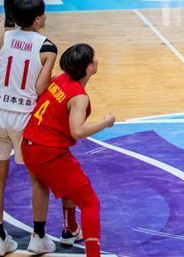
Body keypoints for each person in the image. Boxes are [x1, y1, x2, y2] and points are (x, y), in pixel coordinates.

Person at [0, 0, 58, 256]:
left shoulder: (3, 38)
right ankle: (38, 237)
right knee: (38, 180)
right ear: (38, 19)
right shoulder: (47, 47)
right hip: (24, 118)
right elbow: (40, 88)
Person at [21, 43, 115, 257]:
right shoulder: (79, 97)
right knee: (90, 203)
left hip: (29, 143)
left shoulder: (60, 78)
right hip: (48, 153)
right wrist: (106, 122)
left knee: (67, 184)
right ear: (89, 67)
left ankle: (69, 228)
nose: (97, 59)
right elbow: (77, 131)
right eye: (94, 57)